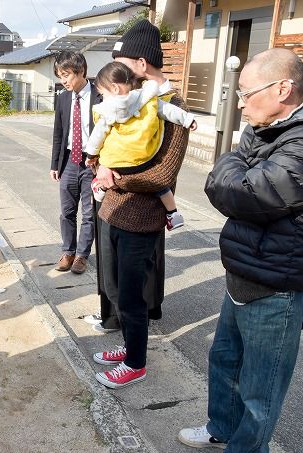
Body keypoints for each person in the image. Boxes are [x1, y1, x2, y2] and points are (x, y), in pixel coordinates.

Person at [178, 48, 303, 452]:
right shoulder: (264, 126)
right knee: (225, 361)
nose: (240, 102)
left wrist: (236, 170)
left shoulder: (299, 141)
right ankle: (221, 428)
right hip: (243, 270)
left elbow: (245, 193)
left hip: (277, 283)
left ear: (283, 88)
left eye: (247, 93)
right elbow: (225, 174)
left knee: (260, 388)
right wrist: (236, 169)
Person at [89, 20, 190, 388]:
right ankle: (129, 344)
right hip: (112, 210)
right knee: (116, 288)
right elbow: (105, 147)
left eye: (124, 64)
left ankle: (136, 363)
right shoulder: (128, 100)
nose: (118, 72)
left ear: (142, 65)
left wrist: (116, 178)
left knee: (133, 293)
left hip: (142, 216)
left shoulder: (171, 105)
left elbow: (164, 173)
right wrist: (100, 165)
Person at [86, 62, 197, 231]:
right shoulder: (148, 98)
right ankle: (173, 213)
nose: (103, 98)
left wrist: (92, 156)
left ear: (115, 88)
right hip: (144, 159)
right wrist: (188, 119)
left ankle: (99, 187)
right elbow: (168, 110)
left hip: (118, 166)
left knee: (104, 180)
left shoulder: (108, 109)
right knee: (163, 190)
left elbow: (97, 136)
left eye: (103, 94)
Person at [50, 50, 102, 274]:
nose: (63, 80)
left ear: (81, 72)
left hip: (92, 163)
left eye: (67, 75)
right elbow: (58, 133)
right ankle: (68, 252)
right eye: (60, 75)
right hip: (70, 160)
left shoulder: (100, 95)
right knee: (67, 211)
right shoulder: (62, 98)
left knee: (90, 213)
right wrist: (54, 164)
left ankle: (82, 256)